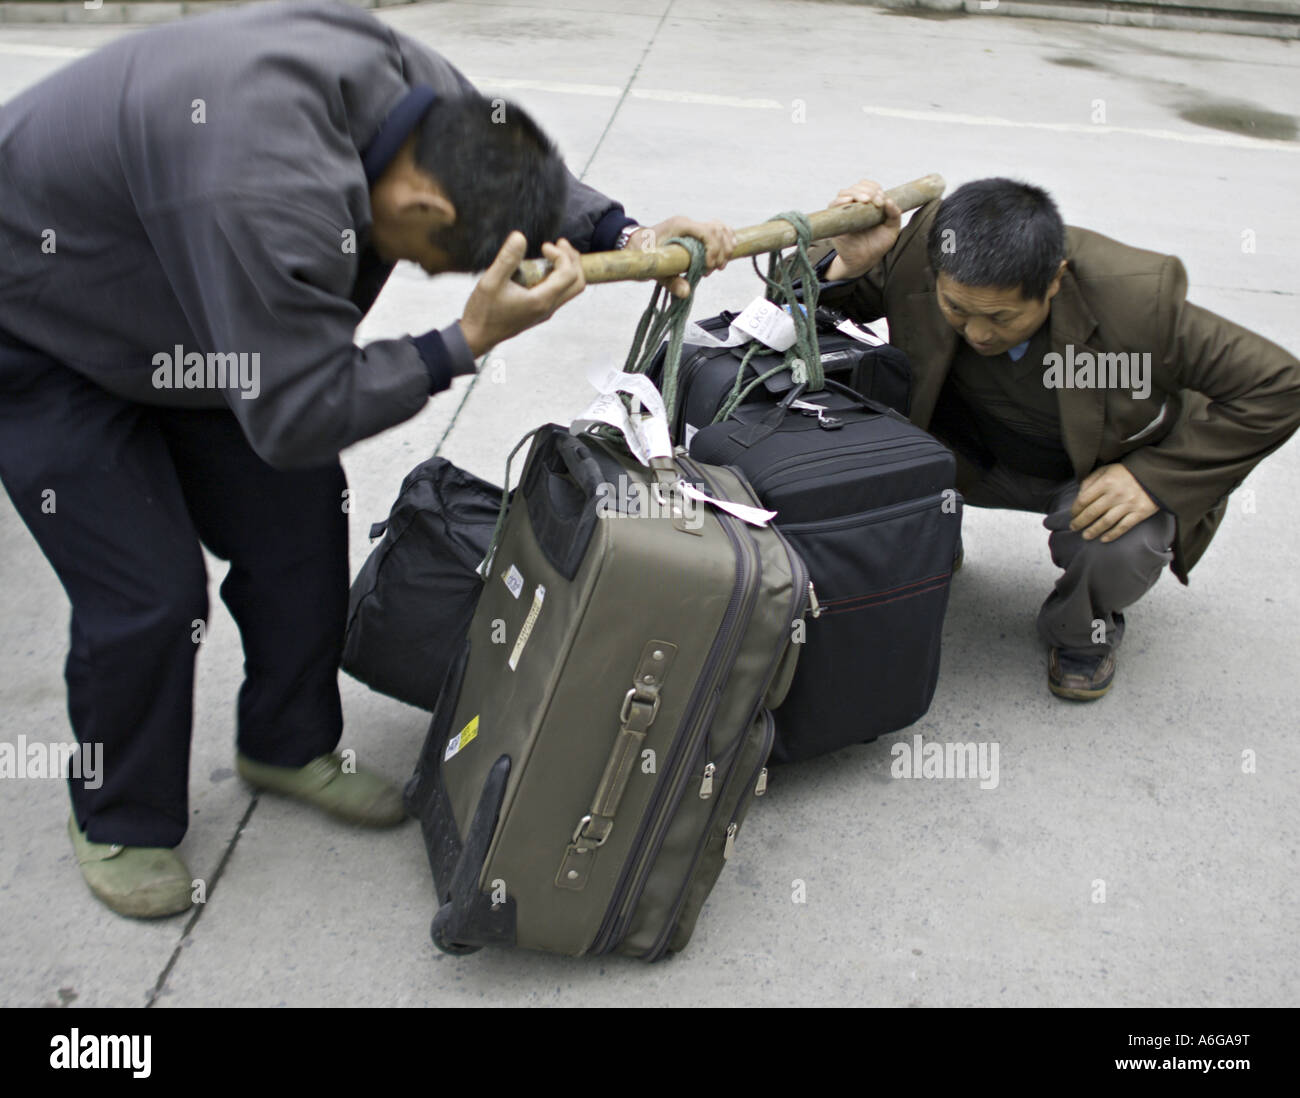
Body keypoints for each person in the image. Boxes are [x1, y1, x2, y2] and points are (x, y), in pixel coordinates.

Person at [0, 0, 734, 919]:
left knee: (298, 528)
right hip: (43, 322)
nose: (428, 273)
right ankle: (120, 815)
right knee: (147, 593)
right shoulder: (258, 192)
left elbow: (514, 169)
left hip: (196, 310)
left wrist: (621, 233)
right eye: (435, 257)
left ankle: (285, 742)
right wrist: (461, 341)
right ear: (424, 204)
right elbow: (296, 411)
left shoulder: (409, 84)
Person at [817, 176, 1300, 702]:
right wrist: (851, 262)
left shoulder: (1138, 300)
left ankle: (1082, 632)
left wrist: (1154, 478)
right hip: (969, 452)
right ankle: (932, 532)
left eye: (1001, 317)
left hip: (1095, 473)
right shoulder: (923, 251)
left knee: (1121, 544)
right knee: (840, 441)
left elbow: (1280, 384)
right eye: (957, 310)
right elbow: (801, 313)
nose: (977, 333)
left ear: (1053, 281)